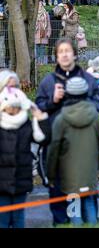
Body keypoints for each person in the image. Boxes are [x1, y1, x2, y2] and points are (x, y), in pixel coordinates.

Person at [47, 77, 99, 226]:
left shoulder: (61, 118)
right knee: (89, 203)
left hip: (68, 172)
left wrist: (51, 174)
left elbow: (54, 147)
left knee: (74, 207)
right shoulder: (95, 116)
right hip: (89, 169)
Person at [0, 86, 50, 228]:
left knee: (18, 218)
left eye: (16, 107)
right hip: (1, 184)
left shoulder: (26, 124)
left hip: (20, 181)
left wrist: (40, 118)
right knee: (2, 220)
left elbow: (43, 139)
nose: (13, 110)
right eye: (10, 106)